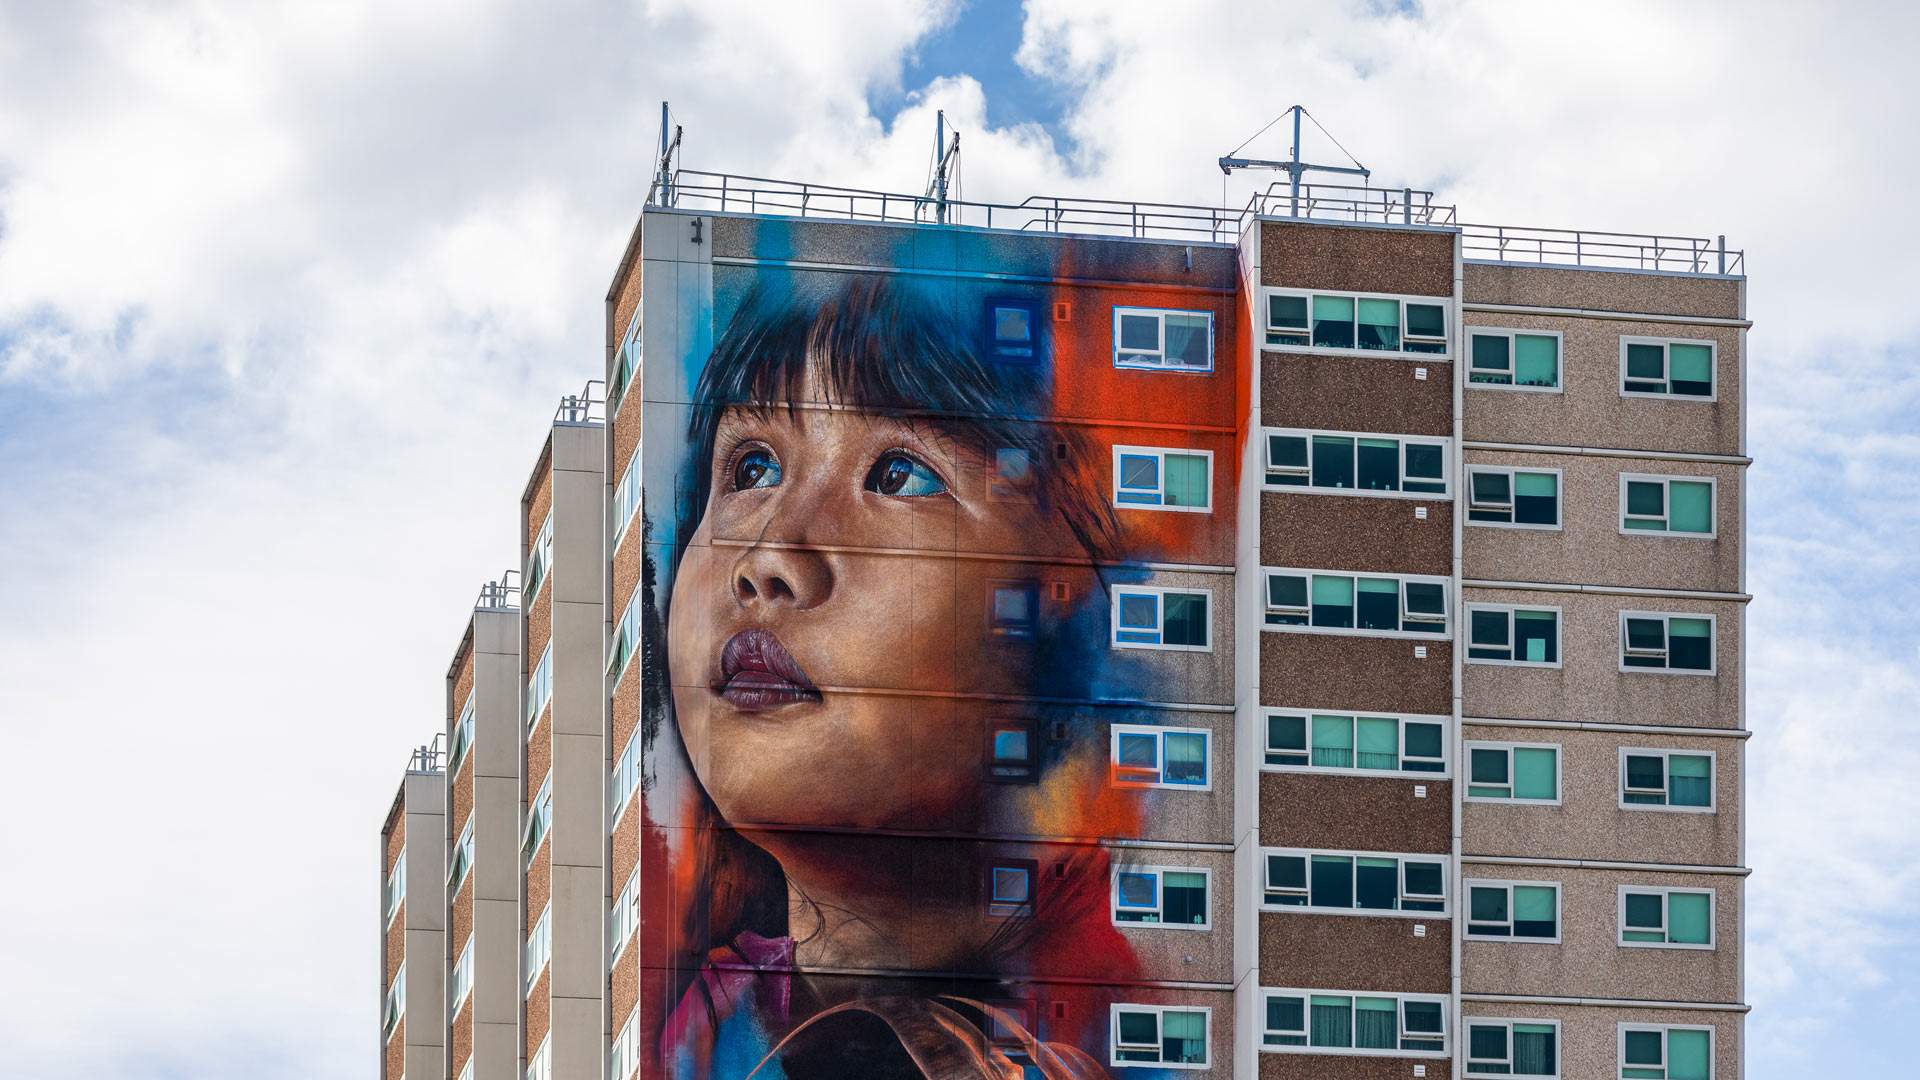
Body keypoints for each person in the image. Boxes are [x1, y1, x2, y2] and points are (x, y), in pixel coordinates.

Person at [645, 271, 1150, 1079]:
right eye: (752, 468)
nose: (770, 557)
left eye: (900, 476)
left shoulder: (1090, 1027)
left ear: (1059, 603)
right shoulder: (698, 1023)